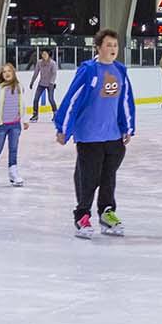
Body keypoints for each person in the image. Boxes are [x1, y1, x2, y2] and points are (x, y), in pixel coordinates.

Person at [55, 29, 136, 239]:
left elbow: (125, 100)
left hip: (113, 135)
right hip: (89, 136)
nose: (113, 49)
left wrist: (128, 127)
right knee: (88, 178)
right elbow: (72, 98)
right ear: (98, 47)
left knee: (108, 177)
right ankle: (82, 215)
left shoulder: (120, 70)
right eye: (108, 45)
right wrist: (63, 128)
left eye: (115, 45)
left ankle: (107, 212)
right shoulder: (89, 70)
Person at [0, 63, 28, 187]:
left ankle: (13, 173)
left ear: (13, 73)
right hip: (1, 125)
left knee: (13, 149)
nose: (7, 73)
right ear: (1, 75)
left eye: (9, 71)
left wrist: (24, 120)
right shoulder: (0, 88)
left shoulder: (19, 87)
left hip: (15, 125)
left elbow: (23, 105)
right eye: (4, 72)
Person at [29, 48, 59, 121]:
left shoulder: (52, 63)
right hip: (41, 83)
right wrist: (32, 82)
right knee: (36, 99)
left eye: (45, 54)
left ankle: (56, 114)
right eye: (42, 54)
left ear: (49, 55)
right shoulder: (39, 63)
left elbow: (54, 74)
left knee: (51, 99)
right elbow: (36, 73)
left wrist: (51, 83)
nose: (44, 55)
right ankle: (35, 115)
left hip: (50, 84)